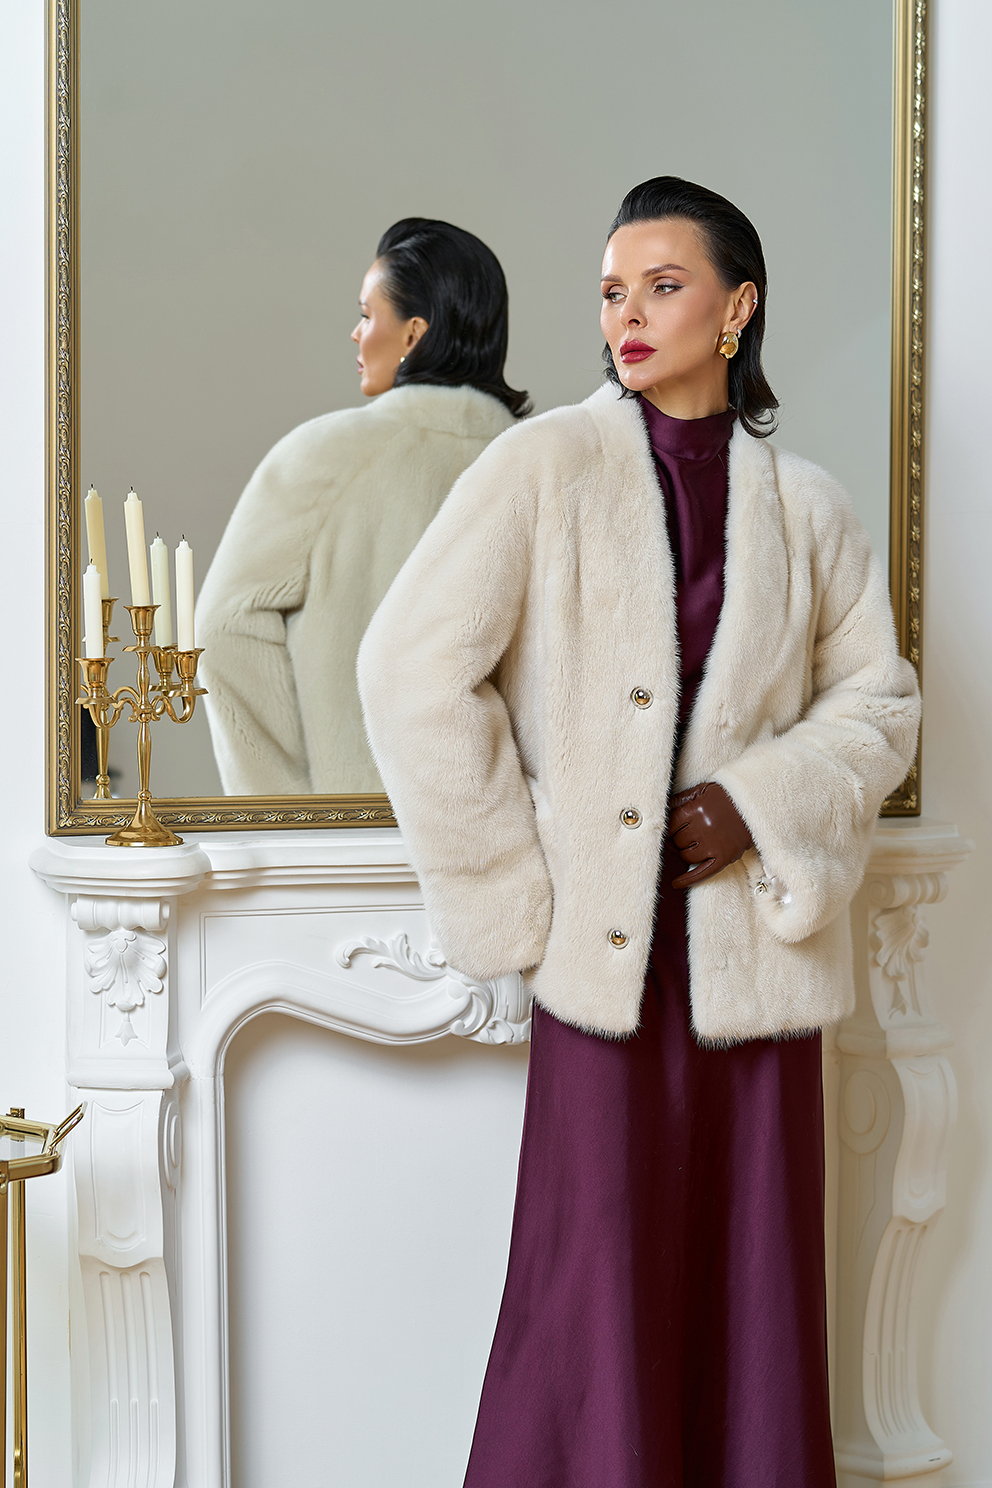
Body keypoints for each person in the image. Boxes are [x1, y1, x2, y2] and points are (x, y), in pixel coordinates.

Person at [358, 177, 921, 1486]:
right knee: (589, 1293)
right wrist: (519, 883)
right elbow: (409, 667)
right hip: (605, 963)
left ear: (737, 307)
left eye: (665, 287)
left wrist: (757, 803)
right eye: (613, 290)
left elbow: (879, 706)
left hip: (757, 967)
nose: (630, 313)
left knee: (750, 1299)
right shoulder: (543, 465)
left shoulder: (808, 507)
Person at [196, 218, 529, 795]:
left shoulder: (326, 455)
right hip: (508, 829)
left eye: (367, 315)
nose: (355, 334)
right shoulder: (540, 466)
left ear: (413, 334)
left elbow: (224, 627)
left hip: (351, 833)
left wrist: (289, 813)